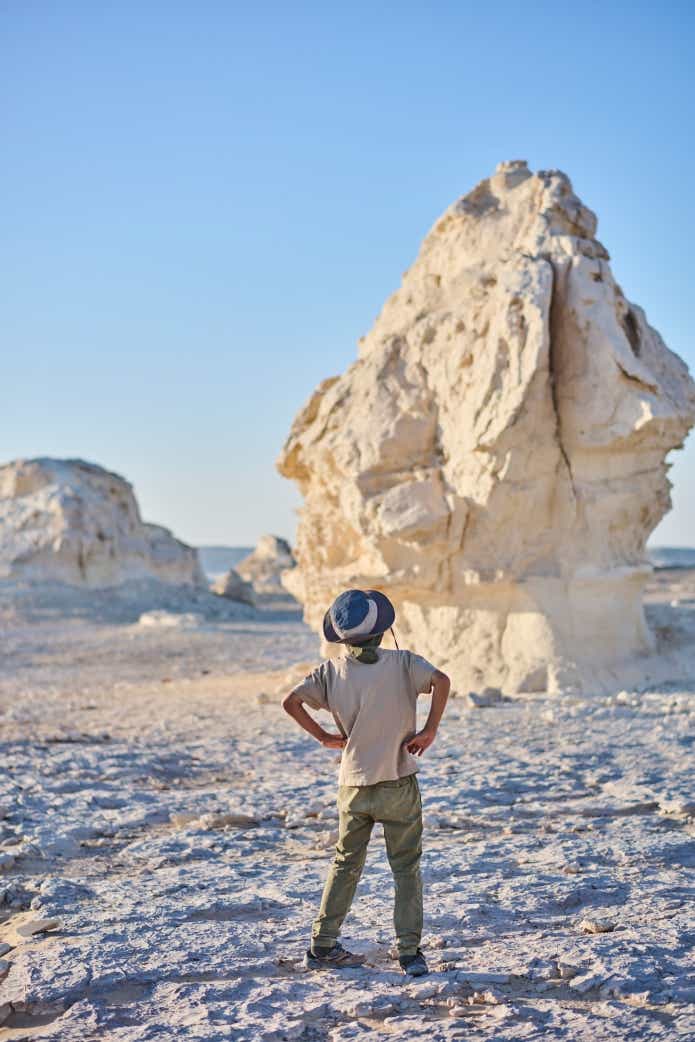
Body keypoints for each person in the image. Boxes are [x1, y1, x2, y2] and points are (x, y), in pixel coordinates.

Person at [282, 588, 451, 976]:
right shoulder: (404, 663)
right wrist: (429, 730)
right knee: (406, 867)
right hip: (398, 781)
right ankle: (409, 953)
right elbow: (441, 680)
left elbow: (290, 702)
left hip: (353, 785)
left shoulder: (329, 672)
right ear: (382, 631)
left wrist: (325, 737)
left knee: (345, 863)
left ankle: (322, 945)